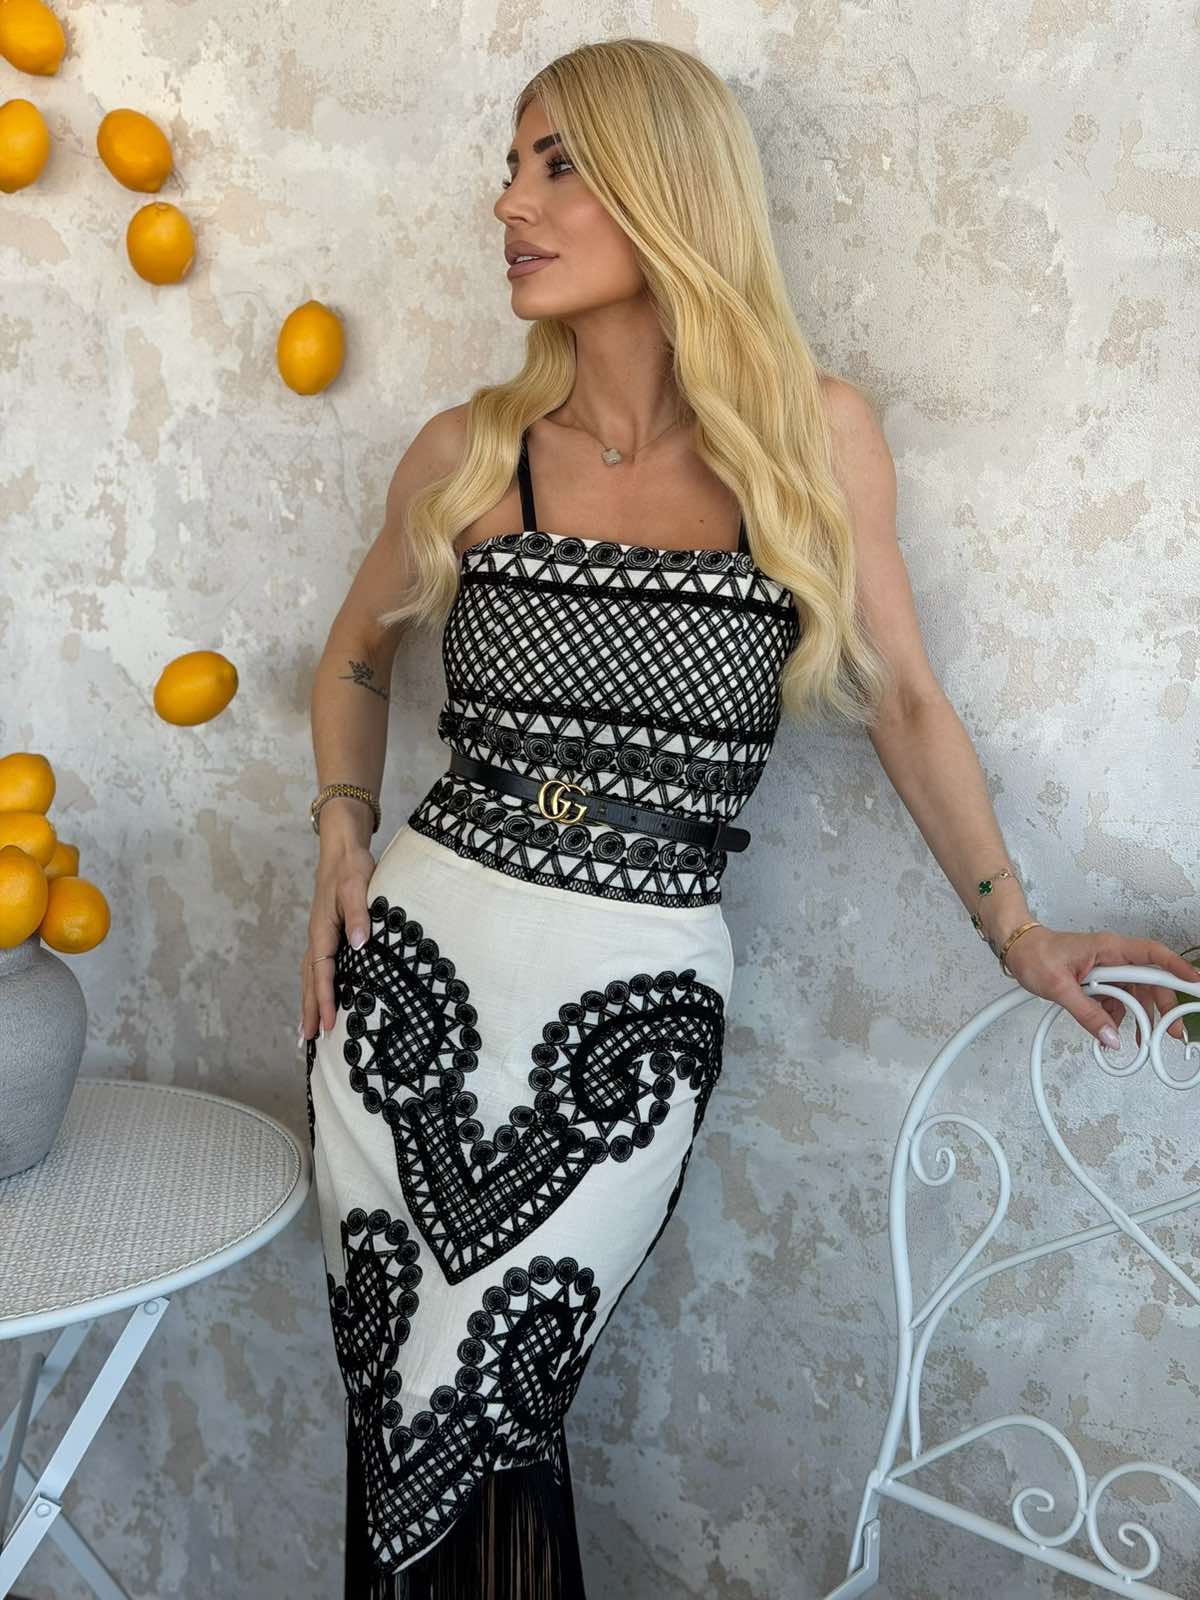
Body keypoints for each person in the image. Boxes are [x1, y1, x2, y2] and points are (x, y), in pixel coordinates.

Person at [297, 38, 1198, 1600]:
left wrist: (1016, 929)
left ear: (670, 190)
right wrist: (338, 828)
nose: (509, 204)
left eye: (558, 166)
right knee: (402, 1422)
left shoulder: (814, 439)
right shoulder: (469, 452)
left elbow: (905, 701)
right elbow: (352, 658)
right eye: (510, 167)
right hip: (410, 993)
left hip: (627, 1017)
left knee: (495, 1401)